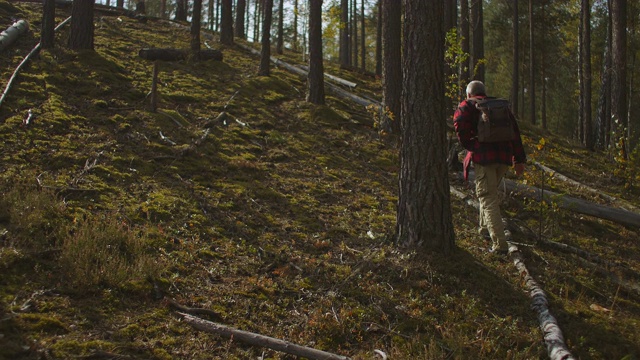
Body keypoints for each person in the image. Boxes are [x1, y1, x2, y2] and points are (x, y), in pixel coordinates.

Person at [453, 80, 527, 255]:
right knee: (489, 193)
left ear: (469, 94)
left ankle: (500, 245)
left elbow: (459, 122)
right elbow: (515, 133)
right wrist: (519, 159)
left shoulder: (468, 105)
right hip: (504, 158)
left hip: (484, 158)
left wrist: (470, 145)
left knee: (487, 198)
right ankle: (485, 230)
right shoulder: (499, 106)